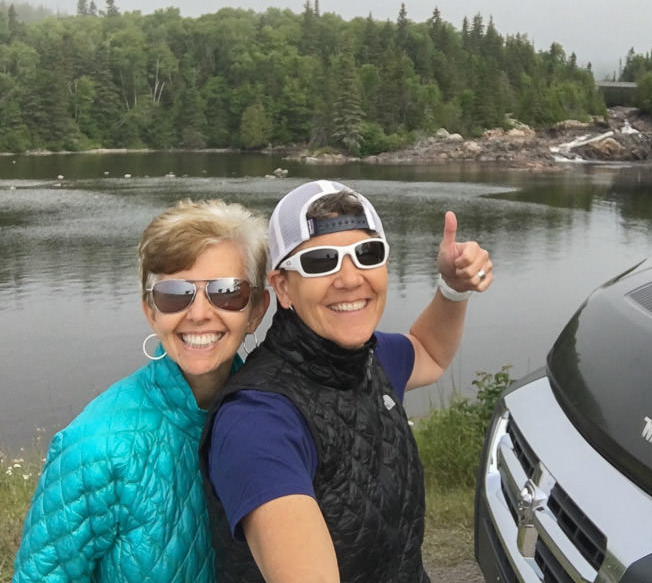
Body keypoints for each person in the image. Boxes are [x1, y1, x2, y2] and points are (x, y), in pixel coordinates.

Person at [201, 179, 492, 583]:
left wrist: (454, 290)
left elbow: (428, 351)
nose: (351, 278)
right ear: (283, 287)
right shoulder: (257, 422)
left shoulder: (369, 358)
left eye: (367, 254)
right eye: (321, 261)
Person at [12, 198, 271, 583]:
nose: (199, 313)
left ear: (255, 310)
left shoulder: (276, 422)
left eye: (226, 291)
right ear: (152, 312)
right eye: (174, 294)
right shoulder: (95, 447)